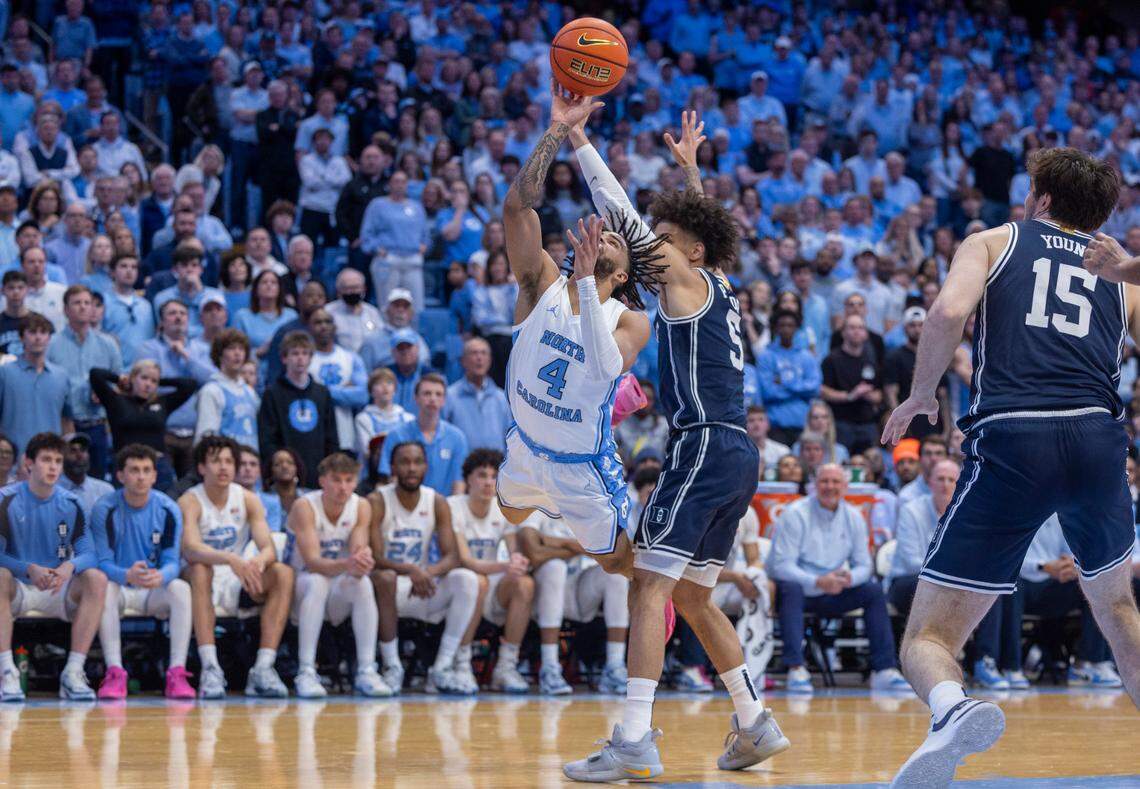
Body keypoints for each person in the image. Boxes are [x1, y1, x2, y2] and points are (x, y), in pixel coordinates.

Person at [883, 147, 1140, 786]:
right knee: (1116, 611)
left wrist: (920, 396)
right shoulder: (1119, 271)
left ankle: (953, 708)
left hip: (1016, 435)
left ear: (1043, 200)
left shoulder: (995, 239)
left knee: (927, 638)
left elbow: (946, 313)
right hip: (1095, 437)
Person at [564, 106, 787, 780]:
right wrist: (691, 170)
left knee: (648, 589)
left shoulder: (686, 276)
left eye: (662, 239)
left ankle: (633, 737)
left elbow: (621, 211)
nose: (646, 246)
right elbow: (696, 230)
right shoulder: (718, 282)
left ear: (687, 249)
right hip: (736, 452)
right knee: (692, 597)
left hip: (701, 446)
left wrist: (576, 137)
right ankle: (753, 721)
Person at [496, 87, 652, 591]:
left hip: (579, 464)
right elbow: (517, 209)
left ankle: (668, 611)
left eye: (618, 240)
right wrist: (558, 130)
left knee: (617, 564)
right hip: (523, 445)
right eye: (604, 229)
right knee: (512, 515)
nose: (607, 233)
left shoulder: (628, 319)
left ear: (625, 275)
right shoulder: (540, 284)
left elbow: (609, 365)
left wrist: (586, 281)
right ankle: (610, 406)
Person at [768, 463, 909, 694]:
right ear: (814, 486)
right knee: (789, 587)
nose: (830, 487)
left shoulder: (854, 517)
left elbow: (865, 565)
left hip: (835, 590)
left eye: (835, 482)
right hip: (802, 592)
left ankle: (884, 670)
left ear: (845, 487)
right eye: (824, 481)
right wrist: (818, 581)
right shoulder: (795, 513)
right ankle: (796, 668)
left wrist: (848, 579)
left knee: (872, 591)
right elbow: (781, 566)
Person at [178, 435, 294, 699]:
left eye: (229, 461)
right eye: (216, 461)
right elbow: (191, 548)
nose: (224, 467)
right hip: (200, 577)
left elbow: (268, 547)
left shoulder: (248, 499)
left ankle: (264, 667)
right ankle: (211, 667)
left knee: (283, 573)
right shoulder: (190, 501)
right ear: (201, 468)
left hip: (238, 575)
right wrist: (231, 559)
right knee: (199, 568)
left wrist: (259, 561)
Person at [0, 432, 107, 701]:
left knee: (96, 578)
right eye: (46, 460)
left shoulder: (72, 502)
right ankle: (6, 672)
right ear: (28, 463)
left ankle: (73, 672)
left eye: (58, 461)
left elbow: (89, 553)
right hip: (18, 588)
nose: (53, 467)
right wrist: (28, 569)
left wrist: (69, 567)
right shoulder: (6, 499)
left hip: (58, 588)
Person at [369, 440, 481, 695]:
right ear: (393, 467)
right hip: (388, 590)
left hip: (422, 585)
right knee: (385, 577)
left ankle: (442, 667)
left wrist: (427, 572)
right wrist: (411, 570)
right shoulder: (377, 500)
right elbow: (375, 557)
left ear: (426, 466)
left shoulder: (437, 501)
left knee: (466, 579)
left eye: (417, 462)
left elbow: (452, 556)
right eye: (404, 462)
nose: (411, 468)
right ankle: (391, 666)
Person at [91, 444, 194, 699]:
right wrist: (126, 574)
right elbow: (101, 561)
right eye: (134, 470)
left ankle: (177, 672)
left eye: (146, 470)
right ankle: (115, 672)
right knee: (104, 586)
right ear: (120, 475)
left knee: (180, 588)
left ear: (155, 476)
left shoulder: (169, 509)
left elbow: (172, 559)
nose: (140, 476)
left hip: (153, 588)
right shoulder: (105, 508)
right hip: (121, 586)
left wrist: (162, 576)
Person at [288, 452, 390, 698]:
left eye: (348, 480)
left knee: (362, 583)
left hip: (335, 590)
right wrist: (349, 563)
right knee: (317, 581)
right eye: (336, 480)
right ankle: (306, 671)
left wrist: (361, 561)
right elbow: (312, 562)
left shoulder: (361, 506)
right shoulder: (304, 506)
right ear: (322, 481)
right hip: (300, 590)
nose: (343, 487)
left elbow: (357, 551)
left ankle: (366, 670)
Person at [520, 507, 632, 696]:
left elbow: (613, 553)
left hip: (578, 590)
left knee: (616, 576)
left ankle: (614, 667)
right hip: (542, 594)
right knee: (555, 568)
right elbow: (535, 554)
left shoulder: (585, 507)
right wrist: (580, 547)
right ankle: (549, 668)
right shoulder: (535, 509)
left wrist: (560, 543)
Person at [450, 449, 534, 694]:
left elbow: (512, 550)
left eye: (493, 476)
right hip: (458, 585)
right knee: (475, 581)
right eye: (482, 475)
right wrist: (505, 566)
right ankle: (461, 664)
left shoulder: (503, 508)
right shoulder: (453, 505)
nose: (488, 482)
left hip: (490, 585)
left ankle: (506, 667)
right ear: (468, 479)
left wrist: (517, 562)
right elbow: (464, 560)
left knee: (525, 584)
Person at [1011, 516, 1123, 688]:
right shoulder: (1013, 510)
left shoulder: (1058, 513)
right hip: (1023, 584)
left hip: (1052, 583)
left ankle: (1088, 662)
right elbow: (1009, 558)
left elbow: (1069, 551)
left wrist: (1071, 564)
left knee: (1095, 582)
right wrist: (1042, 566)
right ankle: (1011, 667)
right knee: (1011, 580)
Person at [257, 331, 338, 489]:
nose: (300, 358)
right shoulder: (272, 394)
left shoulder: (322, 393)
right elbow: (267, 438)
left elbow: (331, 436)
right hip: (285, 476)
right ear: (284, 358)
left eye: (305, 353)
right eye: (294, 353)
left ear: (310, 358)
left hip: (317, 473)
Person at [888, 460, 960, 620]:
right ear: (930, 482)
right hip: (908, 580)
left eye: (951, 480)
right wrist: (947, 574)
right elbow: (911, 561)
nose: (945, 485)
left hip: (949, 581)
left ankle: (986, 646)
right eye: (940, 479)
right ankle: (934, 643)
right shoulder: (911, 511)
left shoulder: (965, 515)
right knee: (933, 586)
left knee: (986, 592)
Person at [377, 374, 469, 496]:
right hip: (405, 505)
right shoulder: (396, 435)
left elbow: (459, 482)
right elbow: (390, 478)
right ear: (416, 398)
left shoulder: (457, 437)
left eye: (438, 394)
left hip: (445, 508)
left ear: (444, 400)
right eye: (427, 393)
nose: (433, 399)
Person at [0, 312, 69, 457]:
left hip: (51, 460)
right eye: (32, 332)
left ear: (49, 338)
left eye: (43, 332)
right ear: (21, 337)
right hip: (11, 460)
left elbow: (67, 421)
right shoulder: (5, 373)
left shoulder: (61, 376)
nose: (38, 337)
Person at [883, 307, 952, 440]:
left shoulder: (936, 357)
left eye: (921, 325)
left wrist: (948, 428)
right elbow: (891, 393)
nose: (916, 329)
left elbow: (943, 396)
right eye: (912, 325)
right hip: (908, 420)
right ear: (904, 328)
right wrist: (900, 421)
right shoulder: (895, 357)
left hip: (932, 420)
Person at [820, 313, 883, 454]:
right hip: (841, 422)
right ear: (843, 333)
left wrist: (868, 395)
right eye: (852, 327)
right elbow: (823, 391)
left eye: (860, 328)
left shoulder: (871, 360)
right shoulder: (831, 360)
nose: (856, 331)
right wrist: (850, 395)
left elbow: (879, 394)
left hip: (867, 423)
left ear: (866, 334)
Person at [756, 309, 821, 444]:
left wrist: (784, 383)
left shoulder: (806, 356)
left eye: (790, 325)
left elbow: (815, 388)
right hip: (776, 425)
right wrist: (801, 389)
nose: (786, 329)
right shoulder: (766, 356)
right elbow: (768, 392)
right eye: (782, 325)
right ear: (776, 328)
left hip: (803, 425)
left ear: (797, 328)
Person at [307, 307, 368, 452]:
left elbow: (362, 395)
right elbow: (305, 394)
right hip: (314, 434)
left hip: (346, 436)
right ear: (310, 327)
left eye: (327, 321)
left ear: (335, 327)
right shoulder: (305, 360)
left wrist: (320, 391)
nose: (323, 326)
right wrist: (344, 390)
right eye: (318, 322)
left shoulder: (351, 358)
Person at [195, 329, 260, 450]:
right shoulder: (211, 390)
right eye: (231, 348)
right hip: (226, 463)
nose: (237, 353)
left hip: (250, 463)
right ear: (220, 354)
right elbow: (206, 436)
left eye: (241, 349)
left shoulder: (250, 393)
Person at [443, 337, 510, 454]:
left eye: (484, 353)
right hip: (462, 468)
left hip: (496, 468)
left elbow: (509, 437)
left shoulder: (501, 397)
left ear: (489, 360)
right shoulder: (450, 396)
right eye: (474, 353)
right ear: (463, 360)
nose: (479, 358)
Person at [355, 368, 414, 462]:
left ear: (395, 389)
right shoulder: (363, 419)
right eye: (379, 383)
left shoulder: (409, 419)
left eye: (389, 383)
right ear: (371, 391)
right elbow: (367, 450)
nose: (385, 387)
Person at [56, 431, 112, 516]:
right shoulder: (51, 491)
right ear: (60, 457)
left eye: (83, 450)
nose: (80, 455)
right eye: (72, 450)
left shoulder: (105, 491)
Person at [898, 435, 950, 504]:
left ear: (948, 459)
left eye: (939, 453)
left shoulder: (960, 491)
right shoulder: (906, 496)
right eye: (928, 453)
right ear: (920, 459)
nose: (933, 458)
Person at [745, 405, 791, 476]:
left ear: (768, 424)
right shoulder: (739, 452)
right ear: (745, 426)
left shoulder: (782, 451)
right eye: (751, 420)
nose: (756, 424)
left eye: (761, 420)